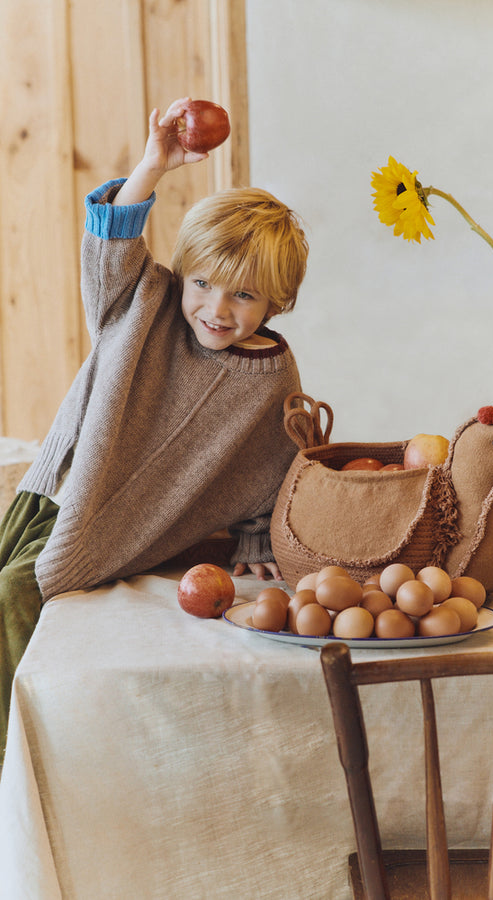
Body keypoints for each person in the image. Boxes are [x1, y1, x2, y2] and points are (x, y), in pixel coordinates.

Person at [0, 97, 308, 759]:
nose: (216, 309)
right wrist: (154, 163)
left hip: (118, 526)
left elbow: (270, 466)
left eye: (244, 295)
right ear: (181, 274)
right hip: (56, 490)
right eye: (202, 283)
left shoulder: (274, 380)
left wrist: (257, 531)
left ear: (276, 299)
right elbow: (112, 239)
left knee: (13, 596)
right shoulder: (143, 302)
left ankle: (18, 768)